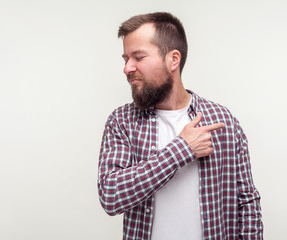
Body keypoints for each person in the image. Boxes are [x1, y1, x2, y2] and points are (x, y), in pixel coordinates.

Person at [98, 12, 263, 239]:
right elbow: (111, 196)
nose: (127, 68)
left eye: (138, 57)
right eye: (126, 59)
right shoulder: (121, 121)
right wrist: (181, 149)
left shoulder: (222, 120)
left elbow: (247, 201)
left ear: (173, 59)